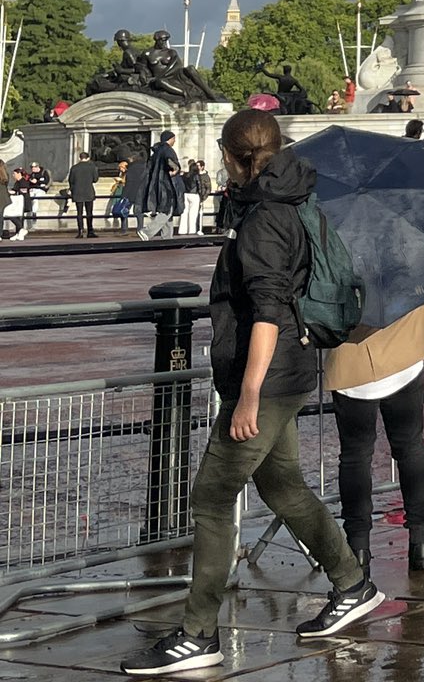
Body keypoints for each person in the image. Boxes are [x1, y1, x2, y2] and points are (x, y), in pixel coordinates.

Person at [122, 109, 381, 675]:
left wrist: (248, 395)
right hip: (291, 368)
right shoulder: (292, 198)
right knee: (283, 485)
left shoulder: (264, 218)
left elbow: (267, 311)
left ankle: (198, 633)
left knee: (212, 499)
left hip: (268, 377)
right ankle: (352, 583)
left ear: (232, 155)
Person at [327, 306, 424, 575]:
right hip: (405, 344)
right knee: (411, 447)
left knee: (355, 457)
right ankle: (422, 542)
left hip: (353, 354)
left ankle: (358, 547)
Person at [68, 156, 100, 238]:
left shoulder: (74, 168)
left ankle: (80, 231)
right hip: (88, 191)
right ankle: (90, 231)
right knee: (89, 213)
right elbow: (95, 179)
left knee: (79, 213)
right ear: (88, 158)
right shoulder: (92, 167)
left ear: (79, 158)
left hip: (78, 192)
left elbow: (71, 180)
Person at [178, 158, 209, 237]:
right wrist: (201, 197)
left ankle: (182, 230)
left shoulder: (185, 175)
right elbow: (199, 186)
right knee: (193, 214)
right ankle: (192, 230)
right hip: (194, 194)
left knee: (184, 213)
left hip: (186, 194)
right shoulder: (197, 176)